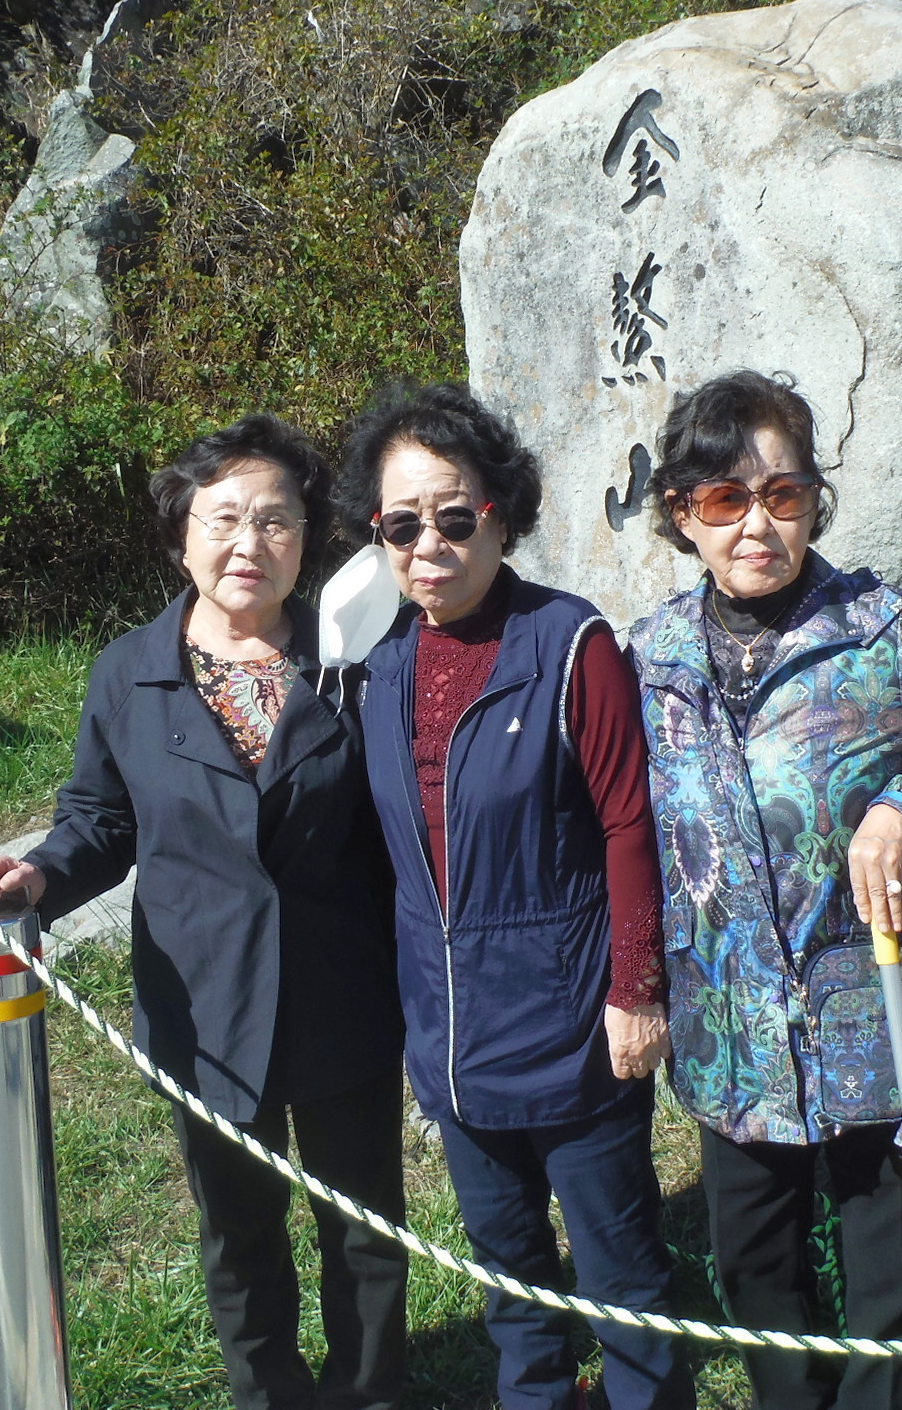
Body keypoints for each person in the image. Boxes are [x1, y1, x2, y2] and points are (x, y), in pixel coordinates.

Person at [0, 416, 407, 1410]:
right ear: (181, 532)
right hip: (203, 1003)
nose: (250, 544)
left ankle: (368, 1394)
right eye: (224, 519)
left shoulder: (359, 657)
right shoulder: (130, 672)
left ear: (308, 538)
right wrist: (36, 878)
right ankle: (269, 1395)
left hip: (342, 989)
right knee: (238, 1233)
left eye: (277, 520)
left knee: (365, 1229)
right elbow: (99, 820)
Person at [627, 369, 902, 1410]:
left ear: (812, 502)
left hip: (870, 1008)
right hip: (728, 1022)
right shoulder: (651, 655)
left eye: (782, 494)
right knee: (754, 1266)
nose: (757, 525)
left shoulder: (880, 628)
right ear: (682, 513)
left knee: (892, 1266)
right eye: (724, 499)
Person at [339, 383, 695, 1410]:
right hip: (451, 1030)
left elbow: (629, 823)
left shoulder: (569, 643)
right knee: (507, 1271)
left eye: (456, 519)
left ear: (502, 517)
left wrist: (635, 988)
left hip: (570, 1020)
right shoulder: (379, 663)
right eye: (401, 527)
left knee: (621, 1271)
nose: (430, 547)